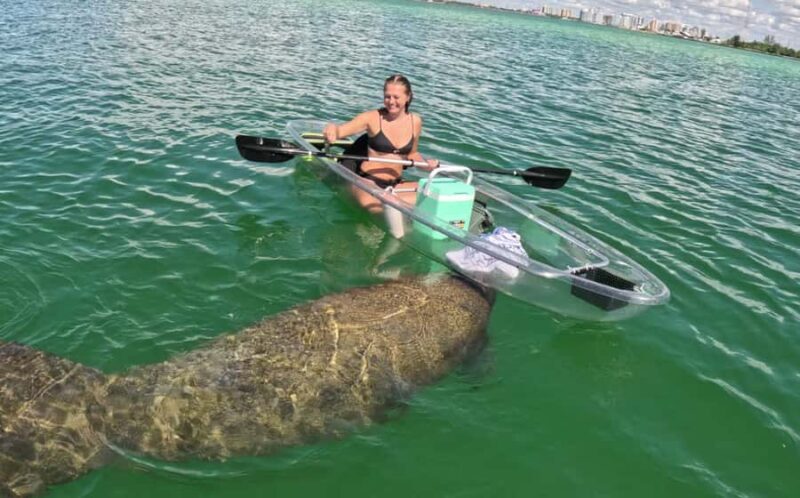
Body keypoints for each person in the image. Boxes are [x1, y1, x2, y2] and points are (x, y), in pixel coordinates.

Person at [323, 74, 439, 212]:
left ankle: (401, 213)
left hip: (396, 185)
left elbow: (412, 154)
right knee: (384, 203)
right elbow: (340, 131)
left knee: (434, 194)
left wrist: (427, 165)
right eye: (387, 97)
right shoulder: (372, 118)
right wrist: (332, 129)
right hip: (367, 182)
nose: (391, 101)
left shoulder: (416, 121)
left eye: (396, 97)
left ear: (408, 97)